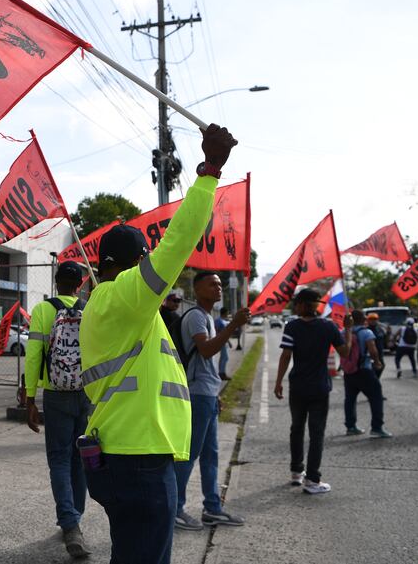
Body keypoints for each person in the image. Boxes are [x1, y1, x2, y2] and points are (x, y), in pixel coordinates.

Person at [79, 123, 239, 564]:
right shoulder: (123, 296)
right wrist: (209, 171)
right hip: (138, 459)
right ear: (136, 263)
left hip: (126, 454)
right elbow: (177, 244)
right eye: (145, 262)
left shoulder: (108, 304)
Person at [25, 260, 92, 558]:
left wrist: (30, 396)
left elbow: (33, 355)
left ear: (56, 282)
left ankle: (70, 523)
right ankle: (75, 516)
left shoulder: (43, 310)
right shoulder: (90, 308)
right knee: (80, 459)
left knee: (59, 460)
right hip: (86, 393)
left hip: (55, 394)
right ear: (80, 284)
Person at [173, 272, 249, 531]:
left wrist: (216, 393)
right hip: (196, 394)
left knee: (210, 455)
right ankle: (175, 509)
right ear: (197, 289)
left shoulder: (207, 317)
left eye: (219, 284)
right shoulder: (196, 316)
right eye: (212, 284)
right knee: (189, 454)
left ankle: (212, 508)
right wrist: (233, 325)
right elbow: (206, 350)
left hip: (207, 393)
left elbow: (208, 363)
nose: (218, 288)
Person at [274, 288, 354, 494]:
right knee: (316, 433)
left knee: (297, 428)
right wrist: (348, 330)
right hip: (319, 387)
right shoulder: (329, 327)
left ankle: (296, 472)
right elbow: (345, 352)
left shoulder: (292, 326)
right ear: (316, 306)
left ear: (302, 305)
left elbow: (286, 356)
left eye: (296, 303)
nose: (295, 307)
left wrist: (278, 381)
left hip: (297, 386)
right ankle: (312, 480)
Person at [344, 310, 392, 438]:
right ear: (363, 319)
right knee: (376, 397)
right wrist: (377, 362)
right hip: (364, 370)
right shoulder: (366, 332)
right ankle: (377, 427)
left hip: (349, 371)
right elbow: (373, 350)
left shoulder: (344, 332)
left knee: (350, 399)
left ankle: (350, 426)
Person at [366, 312, 387, 379]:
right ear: (368, 320)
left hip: (380, 353)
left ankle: (376, 379)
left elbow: (385, 338)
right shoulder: (366, 330)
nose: (373, 321)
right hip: (369, 354)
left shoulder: (380, 329)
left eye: (374, 319)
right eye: (371, 319)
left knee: (381, 366)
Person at [215, 307, 231, 380]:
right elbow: (218, 331)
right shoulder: (219, 321)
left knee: (224, 357)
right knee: (225, 357)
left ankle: (221, 372)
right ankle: (221, 373)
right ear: (225, 313)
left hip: (224, 341)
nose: (228, 314)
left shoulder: (223, 321)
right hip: (221, 341)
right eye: (227, 312)